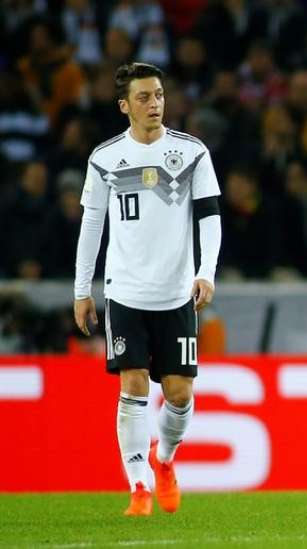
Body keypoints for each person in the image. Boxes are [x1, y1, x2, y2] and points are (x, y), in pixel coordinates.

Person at [73, 62, 222, 516]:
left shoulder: (191, 152)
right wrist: (82, 289)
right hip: (125, 291)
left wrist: (206, 272)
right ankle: (139, 487)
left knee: (179, 395)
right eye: (143, 97)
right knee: (133, 384)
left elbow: (210, 217)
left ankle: (165, 459)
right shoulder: (105, 158)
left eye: (158, 95)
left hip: (176, 293)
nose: (154, 104)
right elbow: (92, 225)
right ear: (125, 106)